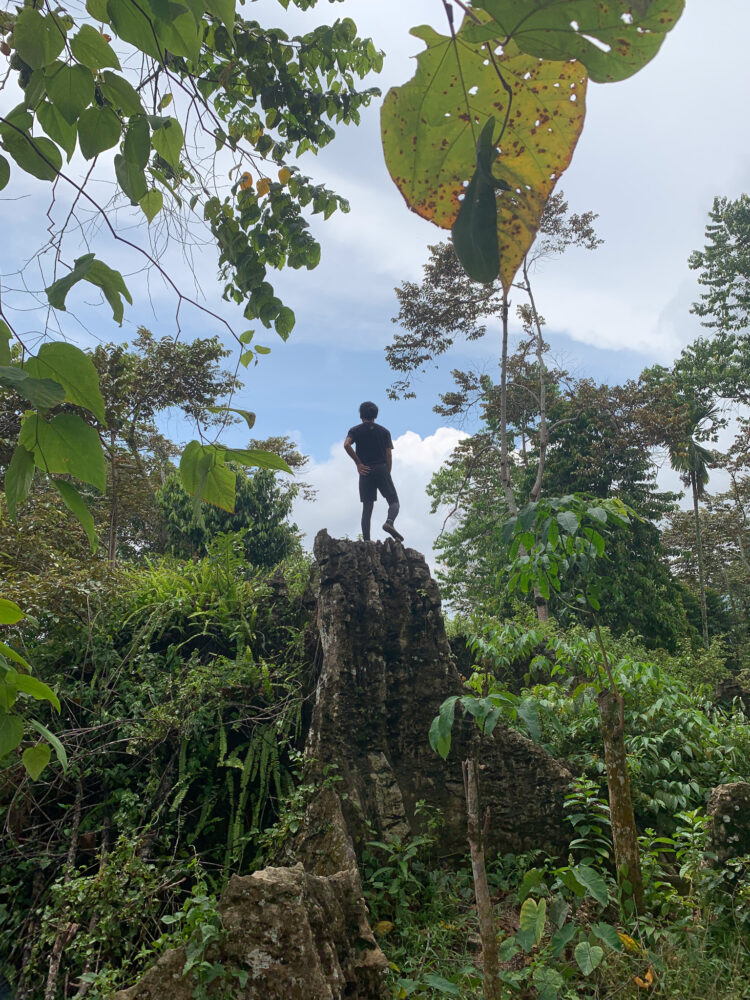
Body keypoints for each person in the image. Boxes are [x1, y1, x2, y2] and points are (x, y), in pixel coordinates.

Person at [344, 401, 404, 542]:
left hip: (365, 471)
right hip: (381, 468)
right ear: (375, 415)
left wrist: (358, 463)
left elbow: (346, 445)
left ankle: (366, 541)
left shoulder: (355, 430)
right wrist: (387, 473)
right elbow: (388, 454)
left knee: (367, 507)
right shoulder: (384, 432)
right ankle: (389, 522)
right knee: (394, 502)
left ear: (361, 415)